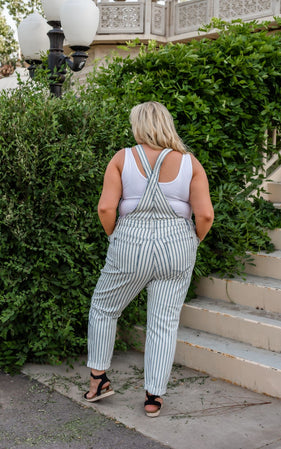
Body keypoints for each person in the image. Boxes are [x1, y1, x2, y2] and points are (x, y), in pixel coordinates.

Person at [84, 101, 214, 417]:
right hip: (178, 244)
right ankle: (153, 397)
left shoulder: (122, 159)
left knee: (103, 307)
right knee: (163, 322)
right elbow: (206, 214)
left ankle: (98, 380)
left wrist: (116, 237)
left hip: (130, 240)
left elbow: (105, 208)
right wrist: (190, 242)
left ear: (138, 126)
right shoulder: (190, 163)